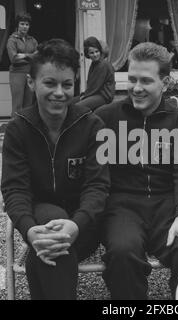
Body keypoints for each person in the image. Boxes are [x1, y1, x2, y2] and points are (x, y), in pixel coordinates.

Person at [1, 39, 110, 300]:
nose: (59, 92)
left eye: (67, 84)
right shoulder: (18, 129)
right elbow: (14, 189)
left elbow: (99, 186)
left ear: (76, 85)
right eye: (49, 83)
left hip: (84, 226)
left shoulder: (93, 125)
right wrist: (28, 229)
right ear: (31, 83)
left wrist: (75, 224)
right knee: (51, 235)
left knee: (46, 249)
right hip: (39, 221)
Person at [95, 42, 178, 300]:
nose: (136, 88)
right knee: (123, 252)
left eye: (145, 80)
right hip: (122, 205)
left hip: (166, 203)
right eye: (131, 79)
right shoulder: (104, 117)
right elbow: (96, 174)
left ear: (165, 83)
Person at [6, 12, 38, 117]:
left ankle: (26, 130)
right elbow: (14, 59)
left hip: (30, 73)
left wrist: (23, 55)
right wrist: (30, 56)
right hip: (17, 73)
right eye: (22, 24)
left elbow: (38, 56)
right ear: (17, 25)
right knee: (18, 104)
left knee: (28, 104)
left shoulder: (32, 40)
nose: (25, 27)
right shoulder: (12, 40)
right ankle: (15, 130)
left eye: (27, 24)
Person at [74, 36, 115, 111]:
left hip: (104, 96)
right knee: (71, 101)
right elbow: (91, 85)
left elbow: (95, 86)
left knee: (77, 107)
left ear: (100, 51)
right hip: (96, 93)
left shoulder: (103, 65)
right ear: (87, 54)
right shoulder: (94, 64)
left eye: (97, 51)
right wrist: (84, 94)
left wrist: (84, 96)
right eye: (91, 53)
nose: (95, 55)